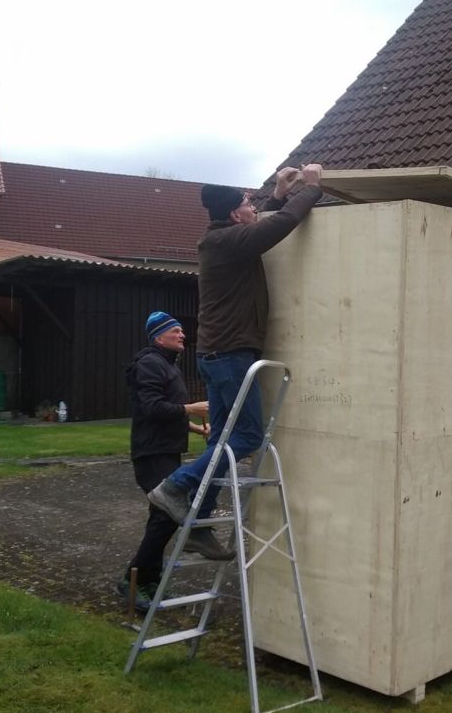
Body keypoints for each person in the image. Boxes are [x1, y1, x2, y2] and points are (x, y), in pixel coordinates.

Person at [145, 163, 324, 537]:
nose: (253, 207)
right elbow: (281, 223)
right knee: (247, 437)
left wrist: (277, 191)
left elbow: (259, 220)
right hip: (229, 356)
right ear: (233, 214)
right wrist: (310, 187)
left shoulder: (223, 238)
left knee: (222, 442)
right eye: (247, 203)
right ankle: (176, 485)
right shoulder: (229, 242)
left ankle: (199, 526)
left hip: (217, 355)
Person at [115, 311, 215, 610]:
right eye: (176, 331)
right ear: (159, 336)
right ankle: (131, 581)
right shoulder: (149, 364)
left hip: (166, 449)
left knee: (161, 516)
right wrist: (191, 408)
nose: (183, 335)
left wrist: (196, 427)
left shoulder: (166, 365)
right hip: (151, 453)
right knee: (166, 513)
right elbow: (151, 408)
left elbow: (166, 410)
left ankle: (147, 582)